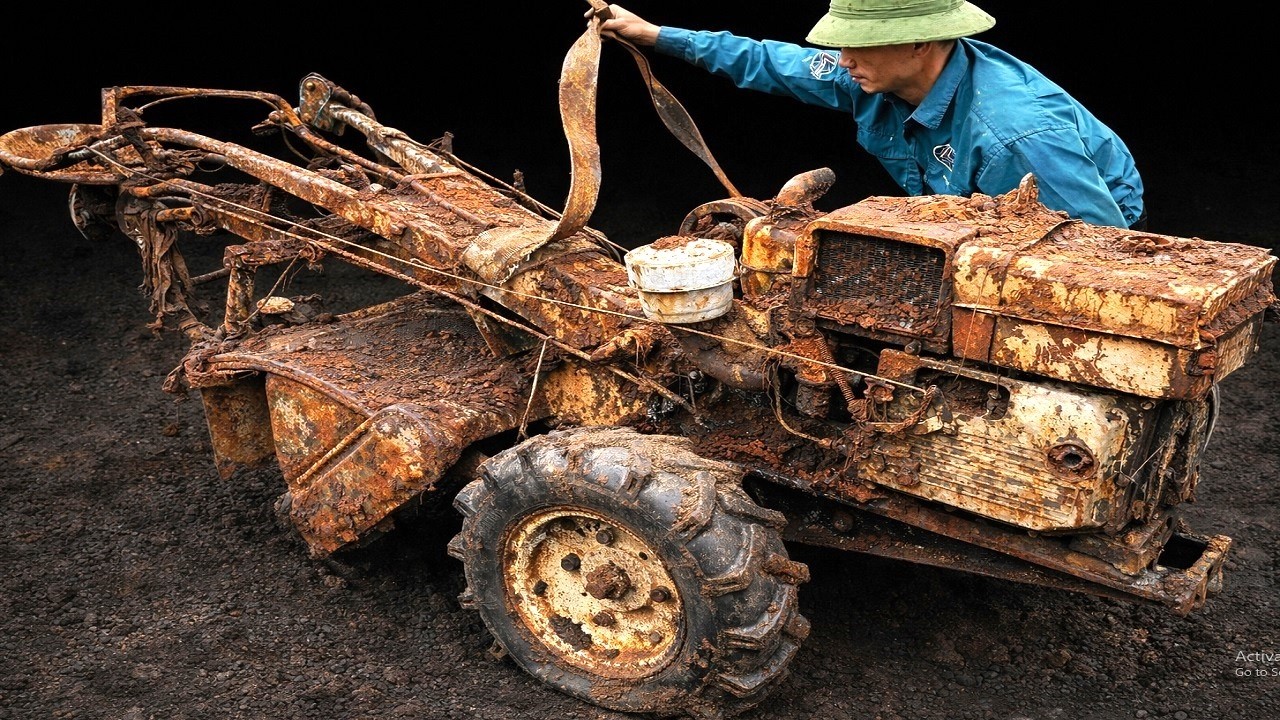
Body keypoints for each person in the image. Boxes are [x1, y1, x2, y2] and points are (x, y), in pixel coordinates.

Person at [591, 0, 1146, 230]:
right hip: (963, 216)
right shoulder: (872, 73)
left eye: (861, 45)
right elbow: (769, 60)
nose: (843, 59)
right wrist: (655, 36)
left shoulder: (1014, 138)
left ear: (920, 44)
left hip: (1075, 225)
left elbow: (1101, 250)